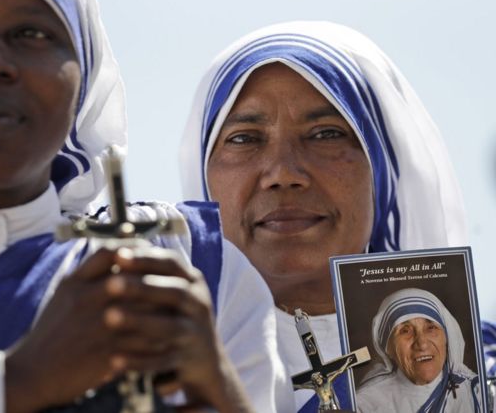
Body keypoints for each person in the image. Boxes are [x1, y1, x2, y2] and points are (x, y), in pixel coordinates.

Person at [0, 0, 294, 412]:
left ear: (85, 78)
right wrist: (22, 380)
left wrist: (222, 394)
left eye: (31, 33)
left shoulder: (193, 269)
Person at [179, 21, 467, 411]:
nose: (283, 173)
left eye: (325, 134)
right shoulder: (141, 367)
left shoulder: (482, 383)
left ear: (381, 169)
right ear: (204, 175)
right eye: (244, 138)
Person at [356, 288, 481, 412]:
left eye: (431, 328)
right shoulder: (364, 404)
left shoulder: (475, 392)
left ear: (447, 338)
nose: (422, 344)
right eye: (405, 331)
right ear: (388, 348)